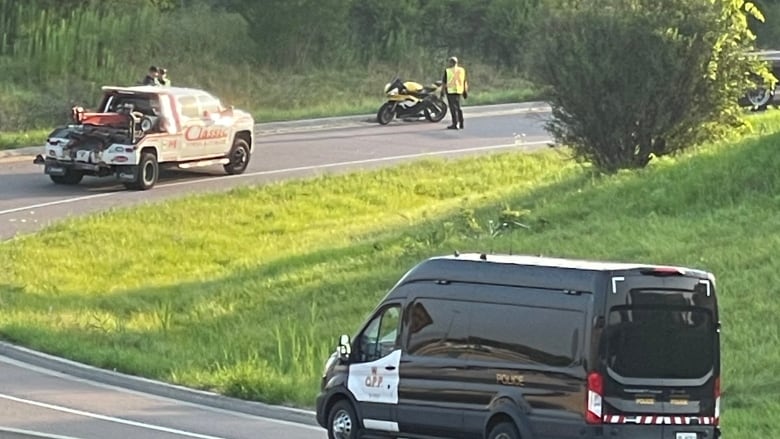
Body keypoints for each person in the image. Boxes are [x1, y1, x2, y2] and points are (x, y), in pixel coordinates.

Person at [441, 56, 468, 130]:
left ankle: (455, 124)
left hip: (451, 91)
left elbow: (444, 83)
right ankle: (461, 123)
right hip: (459, 90)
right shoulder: (462, 70)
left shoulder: (448, 71)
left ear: (451, 62)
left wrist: (442, 92)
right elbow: (464, 81)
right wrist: (465, 91)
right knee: (458, 107)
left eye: (449, 62)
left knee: (453, 108)